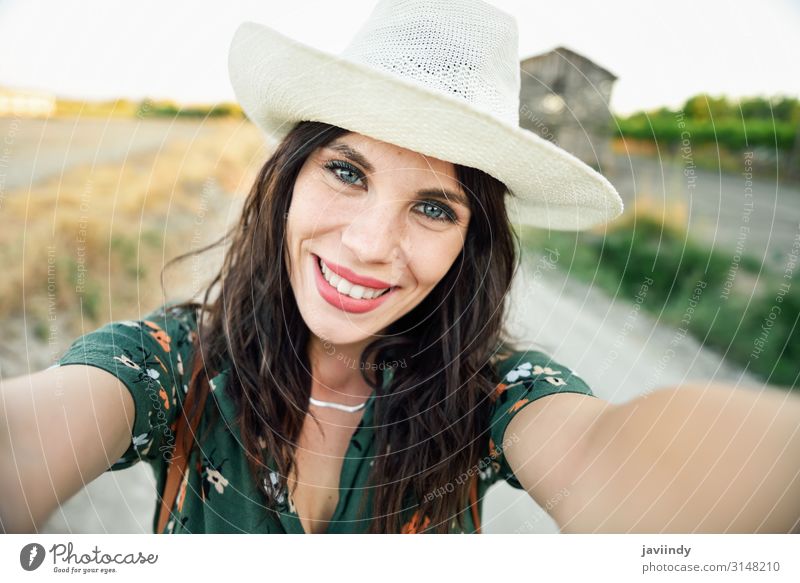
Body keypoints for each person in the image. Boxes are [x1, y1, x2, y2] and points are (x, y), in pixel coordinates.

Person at [1, 0, 798, 535]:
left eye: (434, 206)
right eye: (347, 172)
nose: (370, 244)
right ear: (288, 179)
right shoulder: (171, 361)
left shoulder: (491, 397)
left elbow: (606, 455)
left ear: (470, 242)